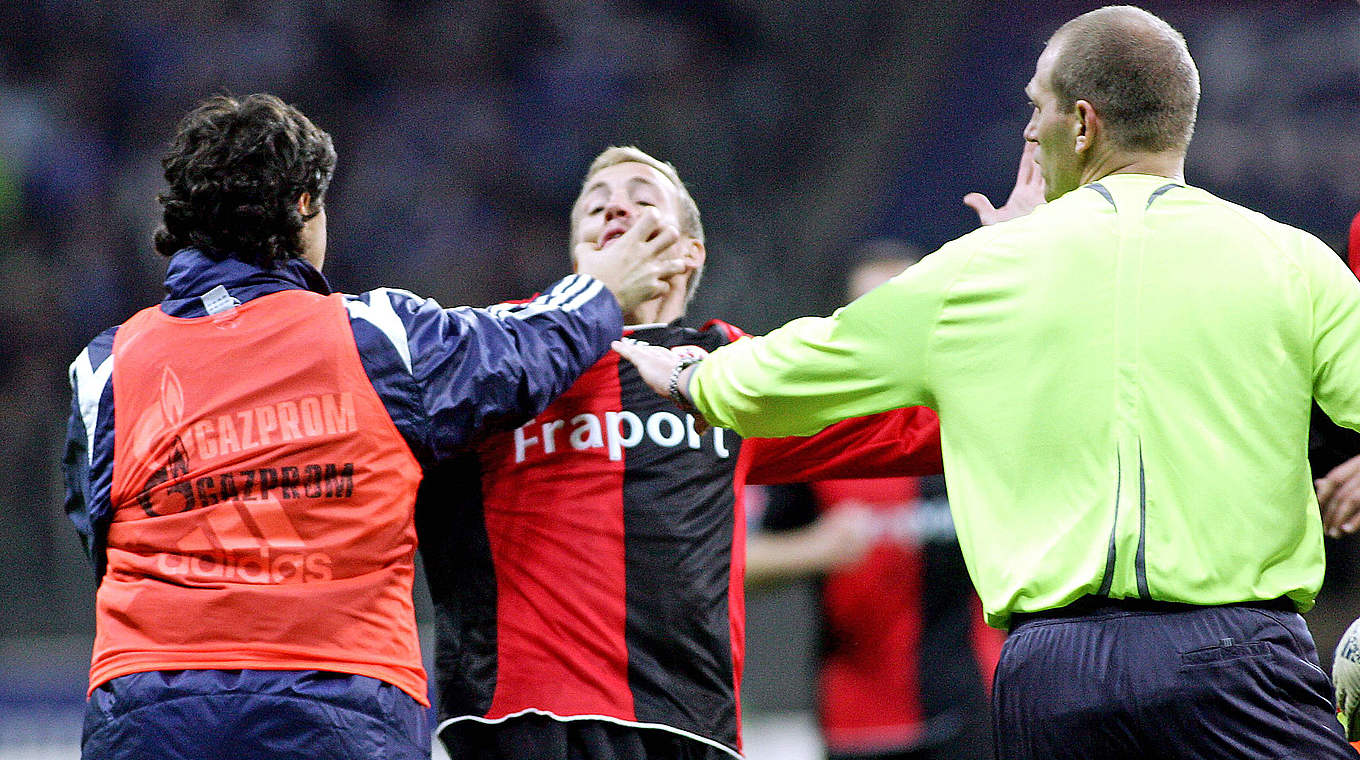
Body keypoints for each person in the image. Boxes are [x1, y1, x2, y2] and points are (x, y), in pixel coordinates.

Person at [616, 6, 1360, 758]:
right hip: (1241, 659)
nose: (1029, 132)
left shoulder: (981, 272)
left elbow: (789, 373)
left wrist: (692, 376)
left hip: (1056, 676)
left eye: (1036, 106)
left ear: (1084, 122)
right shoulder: (1292, 262)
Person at [60, 94, 688, 760]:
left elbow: (97, 537)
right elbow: (523, 352)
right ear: (305, 206)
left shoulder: (105, 368)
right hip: (337, 702)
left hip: (148, 707)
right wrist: (601, 290)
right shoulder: (377, 339)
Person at [416, 146, 948, 760]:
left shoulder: (732, 371)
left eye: (643, 198)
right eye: (596, 205)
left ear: (690, 252)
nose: (616, 205)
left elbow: (923, 426)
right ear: (579, 252)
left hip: (685, 730)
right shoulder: (493, 351)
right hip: (519, 725)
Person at [745, 245, 1002, 760]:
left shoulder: (975, 423)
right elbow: (730, 559)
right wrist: (814, 548)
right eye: (871, 312)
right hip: (857, 724)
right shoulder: (817, 436)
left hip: (977, 710)